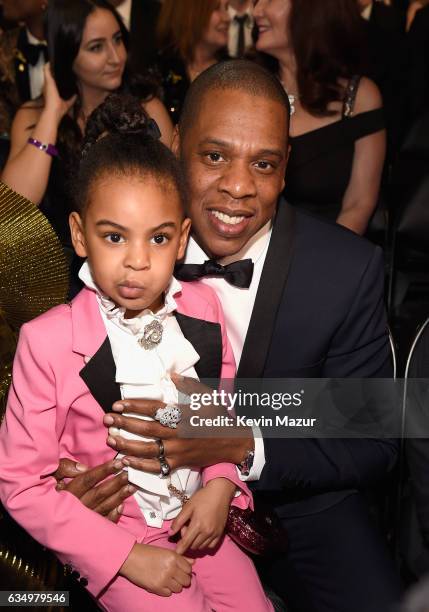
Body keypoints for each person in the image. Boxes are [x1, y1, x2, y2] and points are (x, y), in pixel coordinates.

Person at [56, 60, 402, 612]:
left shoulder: (345, 271)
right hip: (140, 517)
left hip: (300, 512)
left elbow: (376, 435)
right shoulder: (117, 253)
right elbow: (63, 407)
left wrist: (240, 444)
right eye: (214, 156)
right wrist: (69, 489)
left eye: (263, 164)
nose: (239, 186)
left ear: (286, 168)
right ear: (175, 147)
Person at [0, 93, 273, 612]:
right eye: (114, 237)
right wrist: (126, 556)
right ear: (80, 235)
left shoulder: (203, 309)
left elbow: (218, 419)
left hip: (195, 516)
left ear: (182, 238)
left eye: (159, 238)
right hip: (110, 532)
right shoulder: (47, 341)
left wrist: (219, 486)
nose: (137, 262)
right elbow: (21, 484)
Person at [1, 0, 173, 249]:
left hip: (130, 259)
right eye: (96, 47)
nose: (116, 57)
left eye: (117, 40)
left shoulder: (147, 108)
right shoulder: (33, 116)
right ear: (66, 55)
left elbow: (168, 199)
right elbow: (14, 209)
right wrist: (51, 113)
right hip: (57, 272)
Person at [253, 0, 386, 236]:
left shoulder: (359, 97)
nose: (257, 11)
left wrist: (323, 265)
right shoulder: (247, 90)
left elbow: (358, 205)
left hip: (328, 251)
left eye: (269, 0)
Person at [156, 0, 230, 124]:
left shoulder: (235, 70)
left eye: (226, 8)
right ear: (190, 14)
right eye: (216, 8)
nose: (227, 18)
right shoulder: (157, 72)